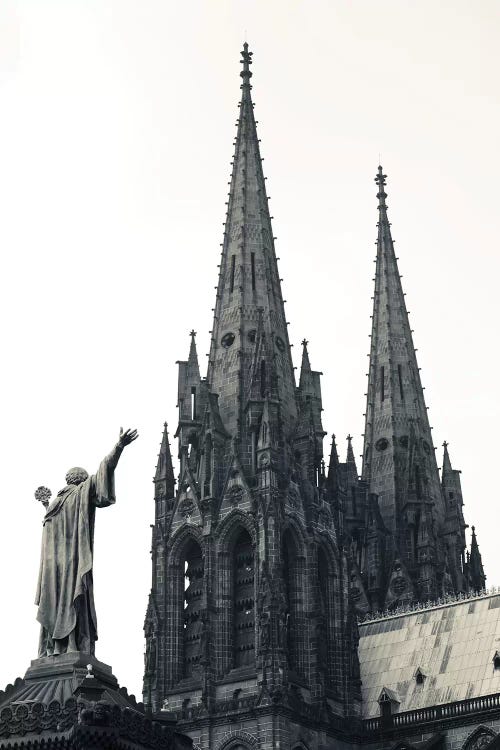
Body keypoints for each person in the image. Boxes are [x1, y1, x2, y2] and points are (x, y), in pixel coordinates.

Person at [35, 427, 138, 657]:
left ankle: (56, 647)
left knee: (59, 601)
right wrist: (118, 447)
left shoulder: (53, 506)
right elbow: (105, 468)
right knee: (75, 600)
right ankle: (72, 645)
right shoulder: (80, 492)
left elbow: (48, 536)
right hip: (72, 562)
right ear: (82, 480)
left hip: (54, 572)